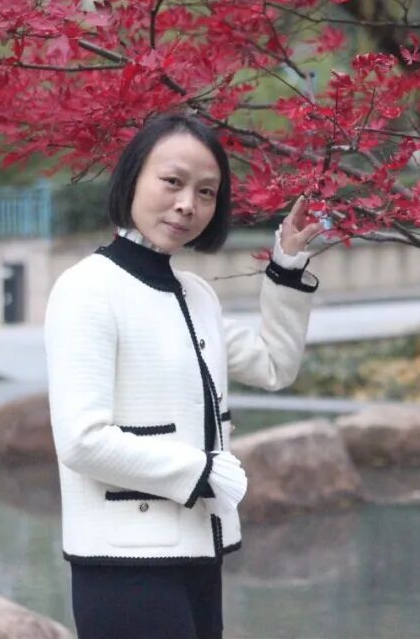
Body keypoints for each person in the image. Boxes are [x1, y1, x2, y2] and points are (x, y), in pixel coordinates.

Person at [44, 113, 321, 639]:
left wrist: (285, 267)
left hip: (198, 554)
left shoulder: (197, 295)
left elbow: (273, 366)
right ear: (132, 177)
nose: (187, 204)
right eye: (172, 181)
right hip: (123, 565)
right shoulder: (87, 289)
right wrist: (200, 471)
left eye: (206, 192)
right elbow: (81, 441)